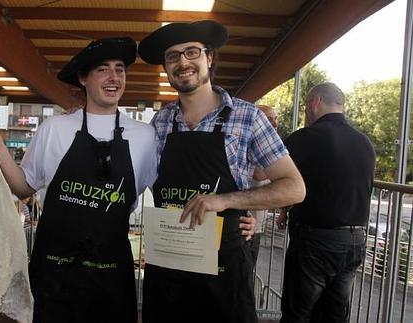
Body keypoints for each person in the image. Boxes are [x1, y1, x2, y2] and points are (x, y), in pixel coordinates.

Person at [0, 37, 158, 323]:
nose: (114, 78)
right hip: (55, 274)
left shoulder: (145, 137)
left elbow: (164, 195)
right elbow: (24, 186)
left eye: (120, 69)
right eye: (103, 70)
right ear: (83, 78)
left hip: (111, 275)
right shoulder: (55, 128)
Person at [138, 20, 306, 323]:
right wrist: (83, 115)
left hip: (223, 271)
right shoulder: (161, 122)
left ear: (209, 58)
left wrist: (226, 201)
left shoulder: (248, 117)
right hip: (169, 268)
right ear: (166, 67)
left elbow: (294, 187)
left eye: (192, 52)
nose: (183, 62)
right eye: (173, 56)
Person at [278, 82, 375, 323]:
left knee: (297, 313)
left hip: (315, 242)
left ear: (315, 102)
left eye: (305, 106)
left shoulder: (307, 137)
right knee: (334, 315)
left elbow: (266, 173)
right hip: (354, 241)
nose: (306, 112)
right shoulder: (365, 142)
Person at [250, 105, 279, 265]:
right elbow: (259, 173)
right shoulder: (252, 142)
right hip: (245, 223)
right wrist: (285, 172)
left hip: (257, 224)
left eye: (275, 119)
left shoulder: (270, 147)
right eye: (269, 119)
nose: (274, 124)